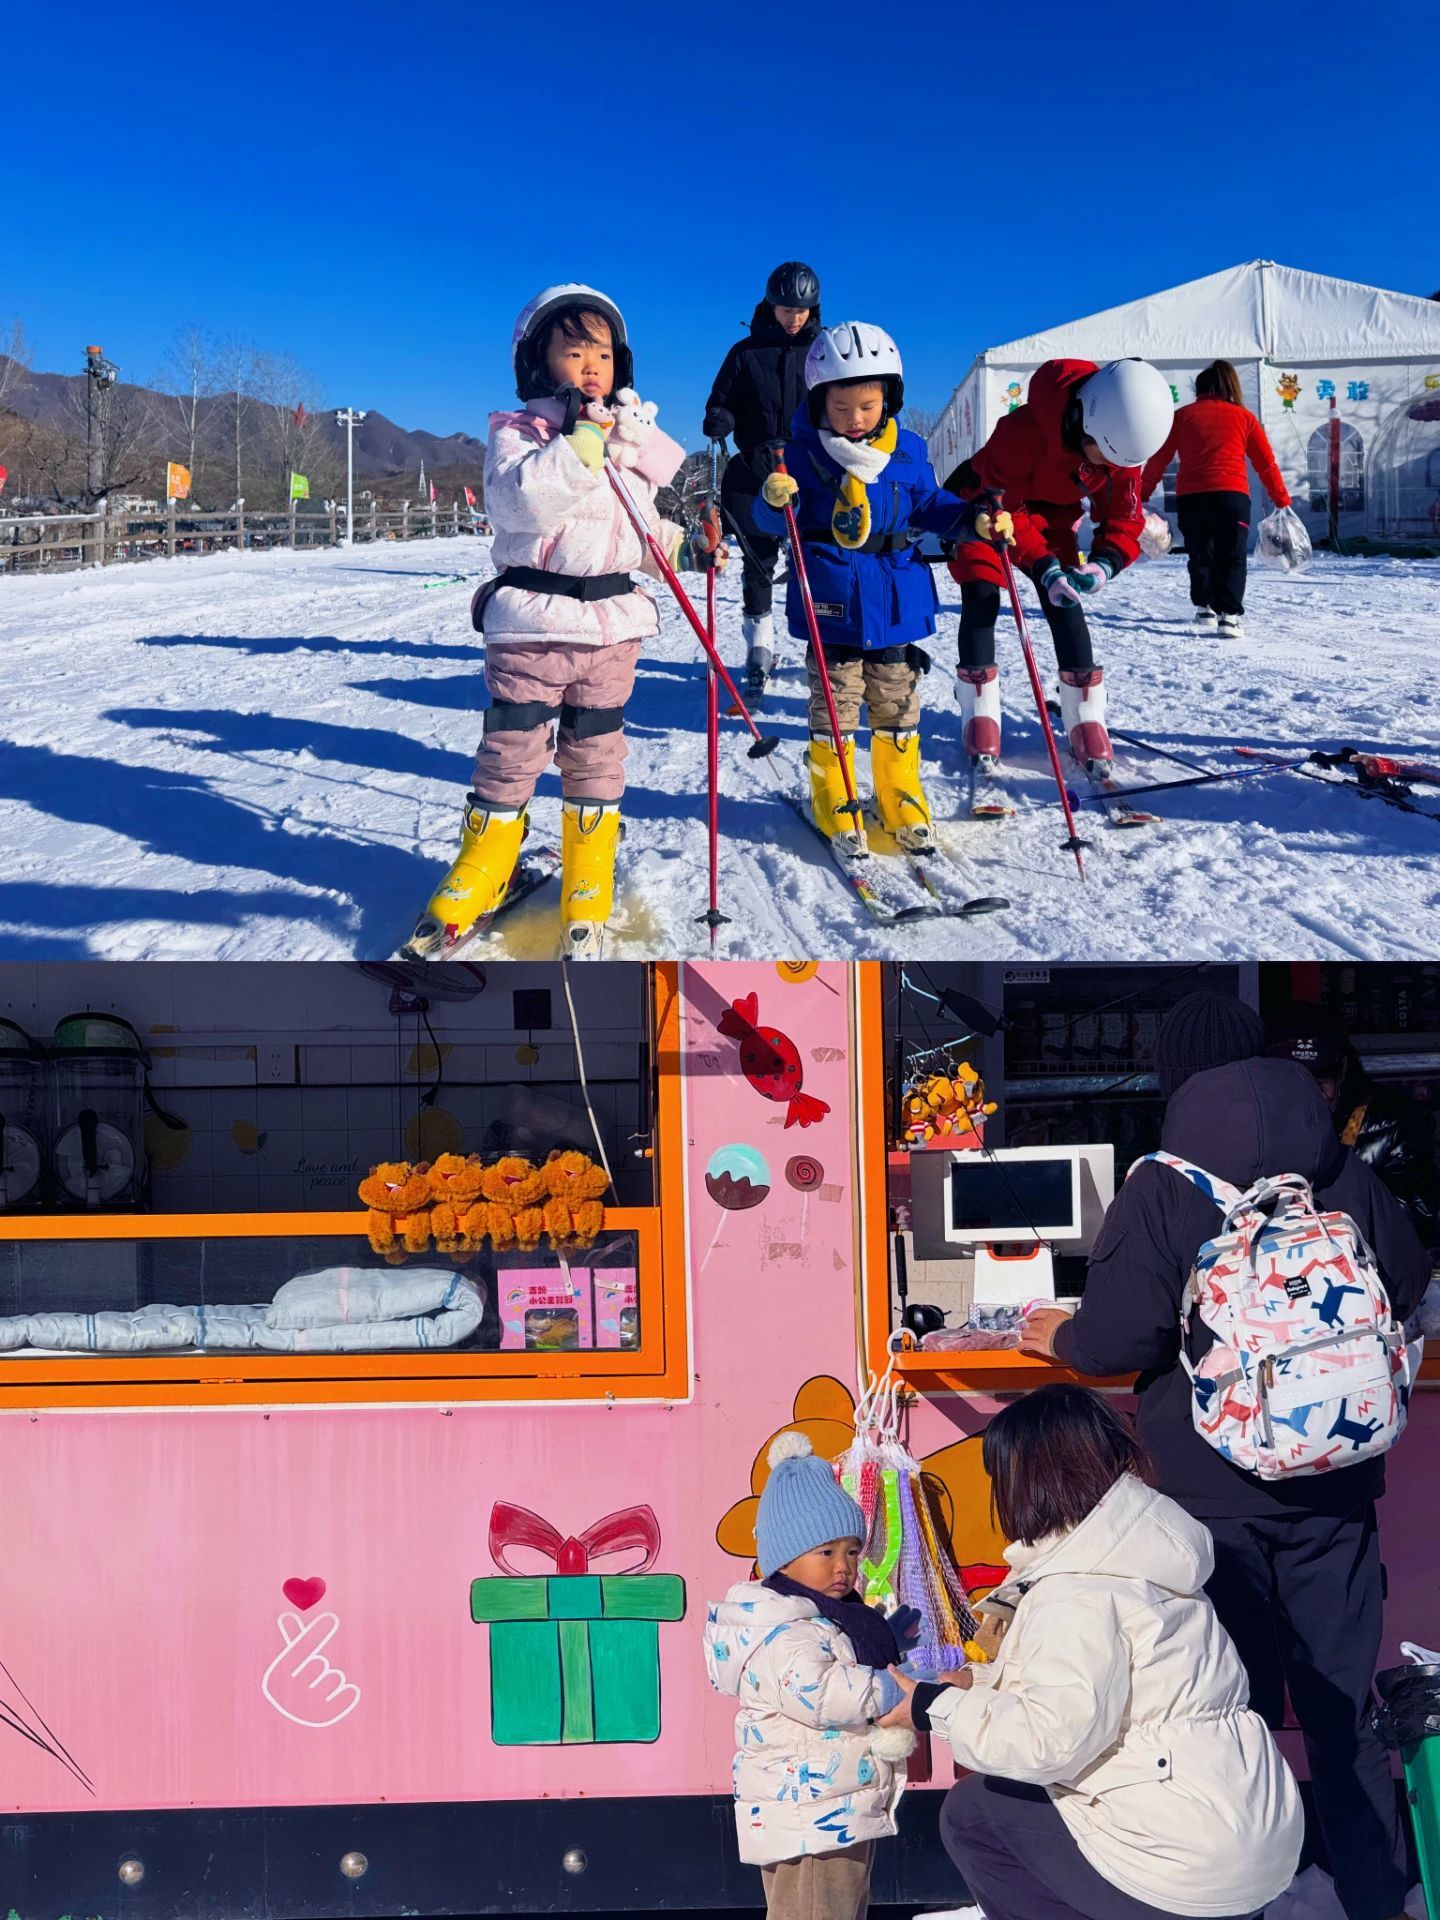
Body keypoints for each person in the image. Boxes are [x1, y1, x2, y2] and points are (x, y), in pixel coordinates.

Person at [1020, 991, 1431, 1920]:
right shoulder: (1338, 1170)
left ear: (1174, 1076)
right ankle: (1375, 1897)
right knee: (1340, 1711)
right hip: (1334, 1490)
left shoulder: (1164, 1184)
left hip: (1207, 1502)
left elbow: (1115, 1340)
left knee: (1217, 1714)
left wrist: (1058, 1335)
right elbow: (1406, 1278)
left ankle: (1238, 1897)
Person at [884, 1384, 1302, 1920]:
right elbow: (1118, 1693)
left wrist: (930, 1707)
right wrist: (976, 1687)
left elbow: (1047, 1742)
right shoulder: (1151, 1566)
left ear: (1025, 1482)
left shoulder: (1077, 1591)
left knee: (973, 1813)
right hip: (1252, 1846)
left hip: (1183, 1870)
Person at [409, 284, 724, 962]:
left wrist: (684, 546)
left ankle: (588, 873)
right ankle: (484, 865)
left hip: (611, 626)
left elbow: (638, 531)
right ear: (537, 363)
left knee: (596, 750)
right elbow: (522, 508)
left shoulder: (628, 447)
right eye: (573, 352)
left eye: (602, 355)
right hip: (535, 623)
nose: (590, 367)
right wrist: (581, 444)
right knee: (513, 748)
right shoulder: (518, 435)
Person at [753, 321, 975, 859]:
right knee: (835, 702)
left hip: (896, 596)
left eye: (868, 406)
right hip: (833, 596)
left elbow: (930, 505)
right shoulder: (800, 455)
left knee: (896, 700)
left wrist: (974, 519)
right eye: (842, 407)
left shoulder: (908, 452)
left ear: (888, 399)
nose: (855, 420)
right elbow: (768, 519)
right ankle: (835, 795)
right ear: (819, 402)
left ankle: (900, 794)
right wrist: (772, 498)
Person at [704, 1432, 917, 1920]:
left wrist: (889, 1639)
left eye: (852, 1551)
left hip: (831, 1806)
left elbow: (837, 1658)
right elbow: (822, 1691)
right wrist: (895, 1687)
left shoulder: (819, 1618)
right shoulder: (783, 1630)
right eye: (826, 1552)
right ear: (785, 1557)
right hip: (812, 1818)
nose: (843, 1567)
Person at [945, 358, 1174, 789]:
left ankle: (1085, 719)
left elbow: (1123, 520)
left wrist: (1104, 564)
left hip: (1051, 516)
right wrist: (1041, 563)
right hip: (986, 507)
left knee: (1065, 600)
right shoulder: (1023, 432)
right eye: (1101, 455)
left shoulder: (1120, 447)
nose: (1107, 467)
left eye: (1115, 461)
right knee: (982, 594)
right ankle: (979, 712)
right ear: (1080, 423)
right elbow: (1003, 509)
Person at [703, 262, 822, 693]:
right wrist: (719, 416)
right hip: (756, 465)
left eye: (802, 310)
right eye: (786, 309)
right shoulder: (744, 352)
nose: (794, 318)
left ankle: (824, 646)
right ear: (770, 306)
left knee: (817, 559)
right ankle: (759, 649)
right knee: (758, 561)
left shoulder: (823, 351)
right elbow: (722, 398)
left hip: (809, 468)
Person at [1268, 1001, 1440, 1253]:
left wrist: (1335, 1157)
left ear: (1344, 1069)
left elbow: (1417, 1225)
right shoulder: (1257, 1126)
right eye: (1297, 1077)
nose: (1312, 1089)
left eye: (1324, 1074)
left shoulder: (1392, 1120)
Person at [1139, 360, 1291, 637]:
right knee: (1232, 554)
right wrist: (1281, 498)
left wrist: (1141, 495)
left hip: (1192, 498)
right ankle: (1229, 615)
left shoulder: (1182, 417)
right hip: (1232, 496)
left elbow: (1158, 461)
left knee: (1200, 552)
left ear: (1199, 389)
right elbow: (1265, 463)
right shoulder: (1244, 418)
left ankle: (1205, 607)